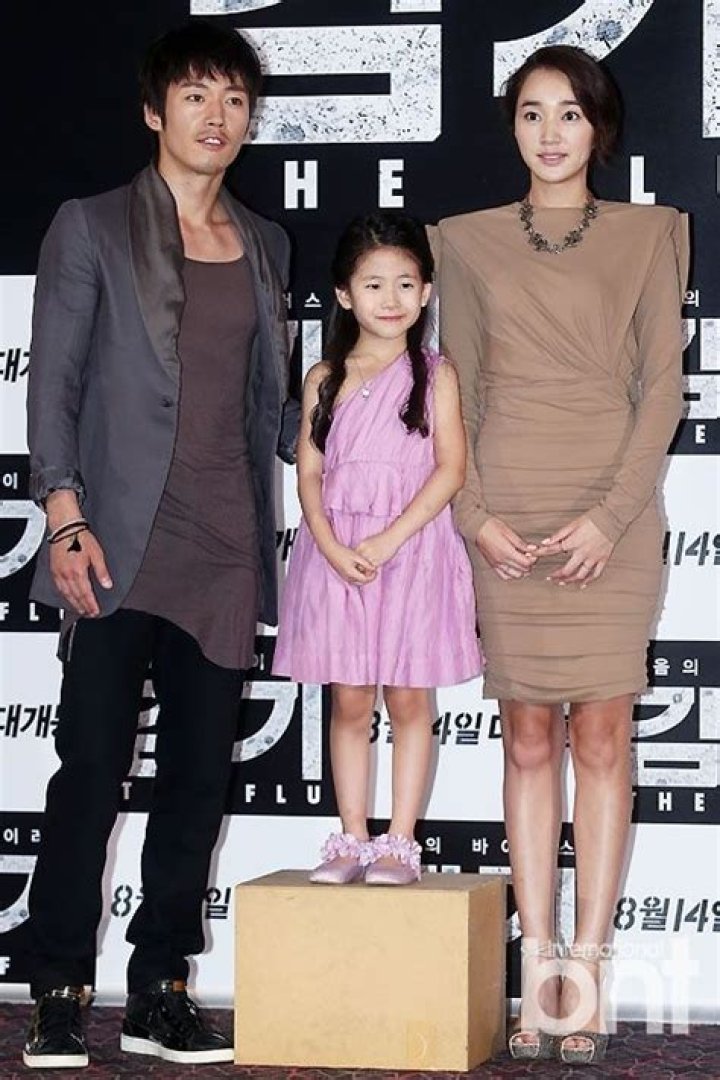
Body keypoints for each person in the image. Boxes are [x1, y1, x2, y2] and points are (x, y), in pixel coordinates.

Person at [23, 21, 292, 1070]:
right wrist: (64, 514)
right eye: (195, 95)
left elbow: (270, 404)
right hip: (115, 544)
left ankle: (161, 990)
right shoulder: (89, 226)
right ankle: (56, 989)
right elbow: (54, 387)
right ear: (153, 110)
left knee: (194, 782)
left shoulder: (265, 244)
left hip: (225, 546)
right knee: (90, 771)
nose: (216, 116)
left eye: (234, 99)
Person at [434, 45, 686, 1065]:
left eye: (570, 114)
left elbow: (661, 387)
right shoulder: (466, 242)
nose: (550, 132)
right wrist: (473, 515)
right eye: (533, 113)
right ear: (512, 126)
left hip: (609, 514)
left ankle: (587, 972)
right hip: (507, 509)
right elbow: (456, 389)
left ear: (599, 128)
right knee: (528, 739)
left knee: (604, 741)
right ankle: (537, 969)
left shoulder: (650, 235)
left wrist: (611, 517)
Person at [273, 211, 482, 886]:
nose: (390, 299)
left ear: (426, 292)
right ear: (343, 294)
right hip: (338, 555)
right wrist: (329, 543)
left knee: (409, 699)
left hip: (413, 552)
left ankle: (400, 841)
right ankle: (351, 838)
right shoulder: (323, 377)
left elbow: (450, 469)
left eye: (405, 284)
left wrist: (391, 538)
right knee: (350, 700)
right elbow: (309, 472)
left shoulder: (437, 375)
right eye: (372, 285)